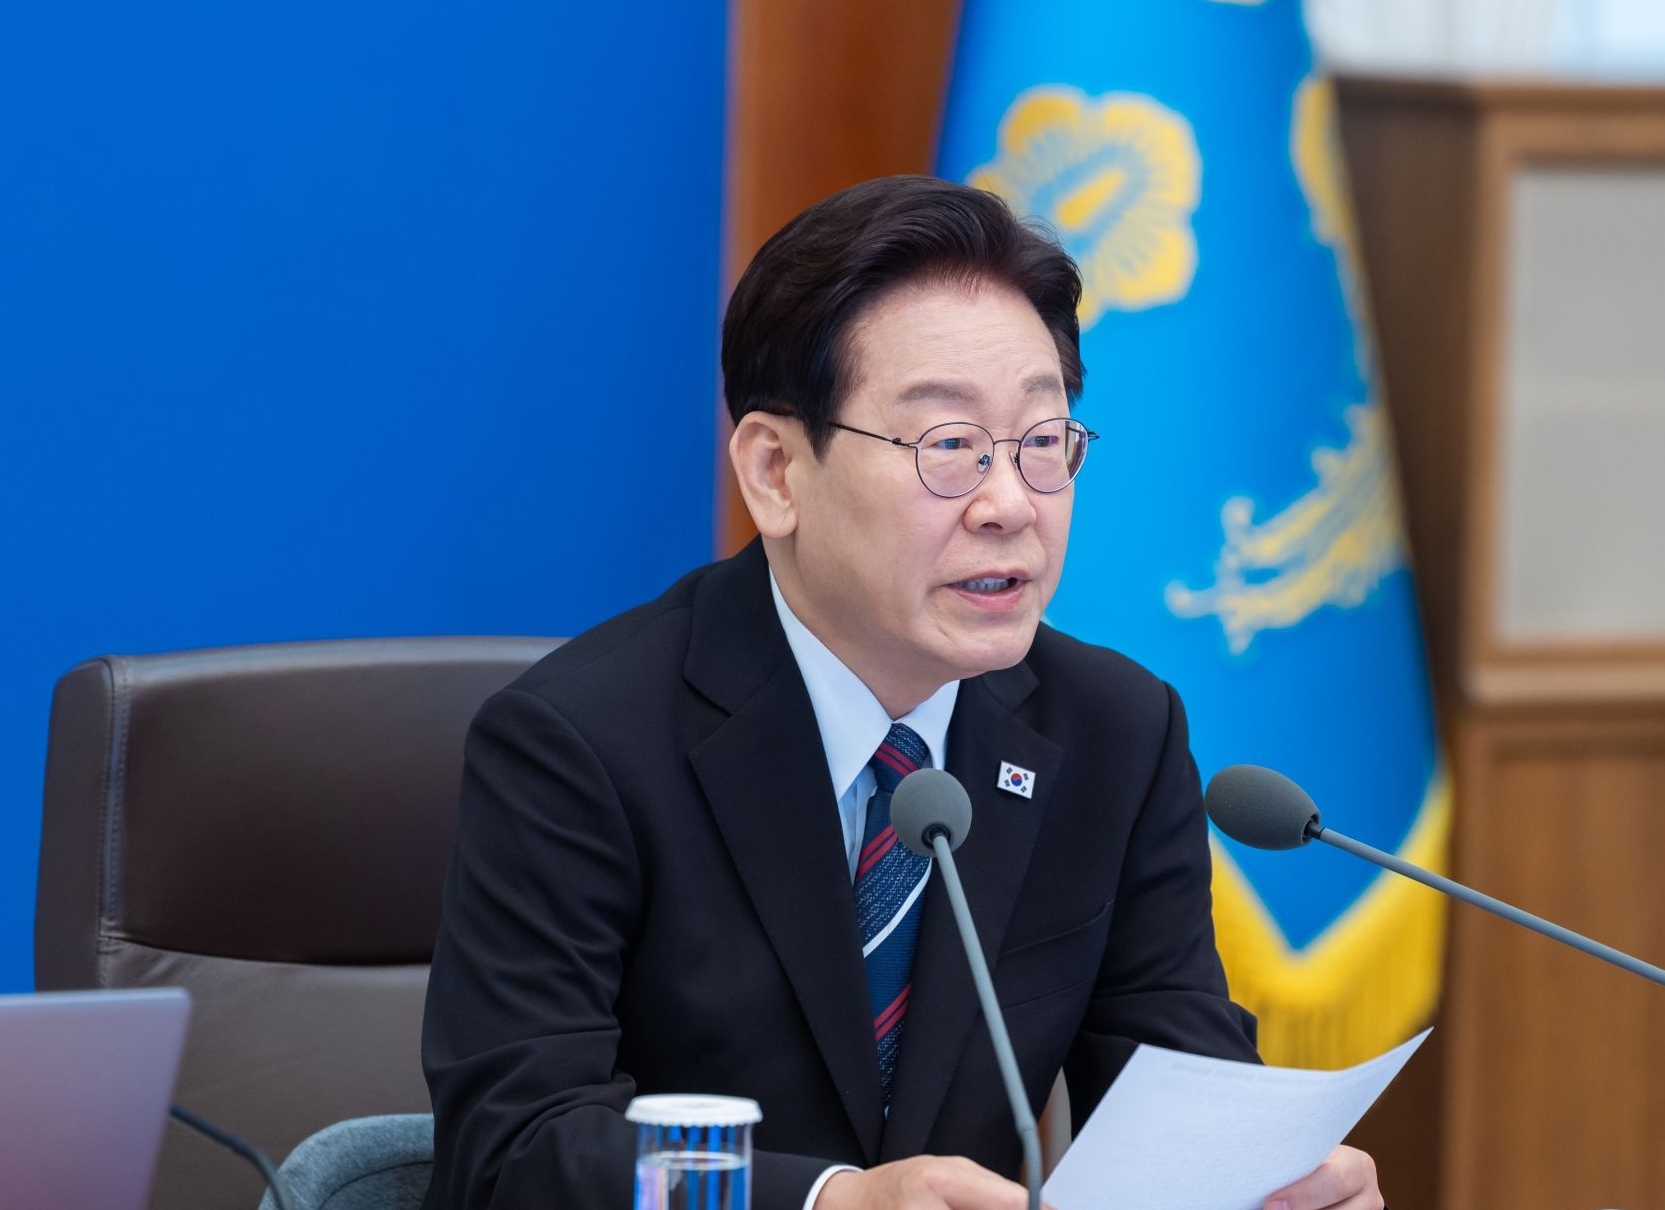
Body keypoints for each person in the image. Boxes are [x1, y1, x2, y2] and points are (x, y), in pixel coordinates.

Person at [421, 176, 1382, 1210]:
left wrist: (1258, 1181)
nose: (1010, 503)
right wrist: (827, 1200)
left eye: (1043, 443)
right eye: (950, 447)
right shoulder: (580, 743)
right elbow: (514, 1149)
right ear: (776, 470)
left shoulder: (1114, 731)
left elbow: (1174, 1087)